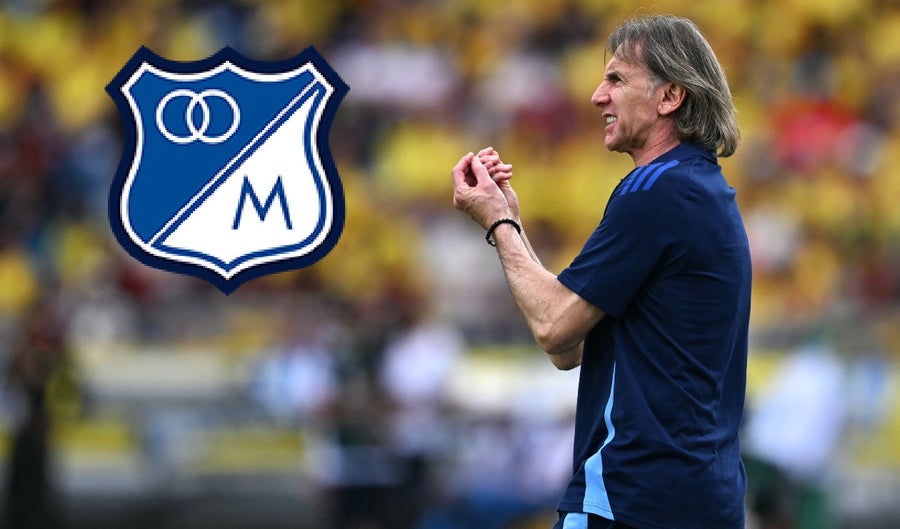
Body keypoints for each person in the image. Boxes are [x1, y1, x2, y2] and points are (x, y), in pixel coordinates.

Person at [450, 14, 751, 529]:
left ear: (669, 96)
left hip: (631, 494)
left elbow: (553, 327)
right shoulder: (701, 191)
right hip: (702, 500)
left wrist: (498, 223)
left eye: (616, 79)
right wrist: (512, 221)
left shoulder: (654, 192)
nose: (597, 96)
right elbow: (569, 349)